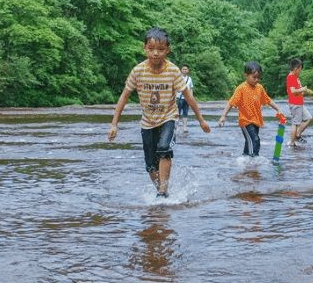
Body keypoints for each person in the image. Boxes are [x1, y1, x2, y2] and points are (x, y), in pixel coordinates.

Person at [108, 27, 211, 198]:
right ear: (145, 48)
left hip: (168, 118)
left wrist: (201, 120)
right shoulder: (138, 71)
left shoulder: (172, 71)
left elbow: (188, 96)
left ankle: (162, 192)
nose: (155, 53)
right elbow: (124, 97)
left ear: (167, 50)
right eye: (151, 49)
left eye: (161, 50)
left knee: (164, 149)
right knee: (150, 165)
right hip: (147, 122)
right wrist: (114, 124)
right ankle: (161, 190)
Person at [217, 61, 283, 157]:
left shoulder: (259, 88)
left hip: (256, 121)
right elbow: (231, 103)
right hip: (245, 121)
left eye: (258, 77)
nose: (256, 80)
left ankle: (245, 159)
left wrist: (278, 109)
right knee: (255, 140)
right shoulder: (241, 89)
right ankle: (253, 161)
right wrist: (223, 116)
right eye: (254, 77)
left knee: (249, 142)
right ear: (246, 75)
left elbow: (268, 100)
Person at [286, 58, 313, 147]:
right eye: (300, 70)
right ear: (296, 69)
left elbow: (298, 91)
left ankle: (297, 135)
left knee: (309, 118)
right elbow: (292, 91)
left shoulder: (295, 78)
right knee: (295, 123)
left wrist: (304, 91)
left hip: (299, 103)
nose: (300, 72)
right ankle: (292, 143)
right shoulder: (291, 77)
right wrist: (303, 89)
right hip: (295, 104)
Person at [176, 64, 194, 139]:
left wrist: (191, 98)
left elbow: (191, 88)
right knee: (177, 113)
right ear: (181, 70)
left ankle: (184, 127)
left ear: (188, 70)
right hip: (178, 98)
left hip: (186, 99)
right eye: (183, 69)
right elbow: (174, 88)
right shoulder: (178, 78)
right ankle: (176, 127)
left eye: (186, 69)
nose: (184, 70)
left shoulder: (189, 79)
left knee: (185, 113)